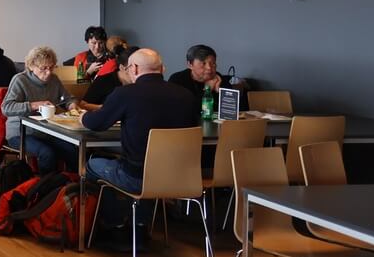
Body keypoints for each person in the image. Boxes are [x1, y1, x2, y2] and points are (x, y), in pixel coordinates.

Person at [80, 47, 201, 236]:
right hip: (180, 177)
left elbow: (96, 124)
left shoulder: (126, 94)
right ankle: (141, 224)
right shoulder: (186, 95)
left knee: (92, 165)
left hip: (137, 178)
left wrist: (83, 117)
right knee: (147, 163)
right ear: (162, 69)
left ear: (134, 69)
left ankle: (115, 222)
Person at [1, 46, 77, 173]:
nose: (48, 72)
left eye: (51, 67)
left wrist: (72, 106)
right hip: (21, 133)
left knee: (72, 150)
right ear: (31, 66)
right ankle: (44, 188)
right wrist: (35, 105)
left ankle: (74, 186)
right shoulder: (20, 80)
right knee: (47, 153)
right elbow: (6, 107)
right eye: (43, 68)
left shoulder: (54, 80)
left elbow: (68, 99)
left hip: (47, 131)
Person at [168, 44, 247, 107]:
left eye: (213, 63)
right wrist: (207, 91)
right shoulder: (177, 80)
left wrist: (219, 91)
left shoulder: (219, 78)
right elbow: (185, 108)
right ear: (190, 64)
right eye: (203, 63)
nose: (209, 68)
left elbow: (233, 109)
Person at [78, 44, 136, 111]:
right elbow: (83, 105)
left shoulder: (143, 82)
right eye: (134, 67)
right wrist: (106, 108)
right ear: (122, 68)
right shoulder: (104, 80)